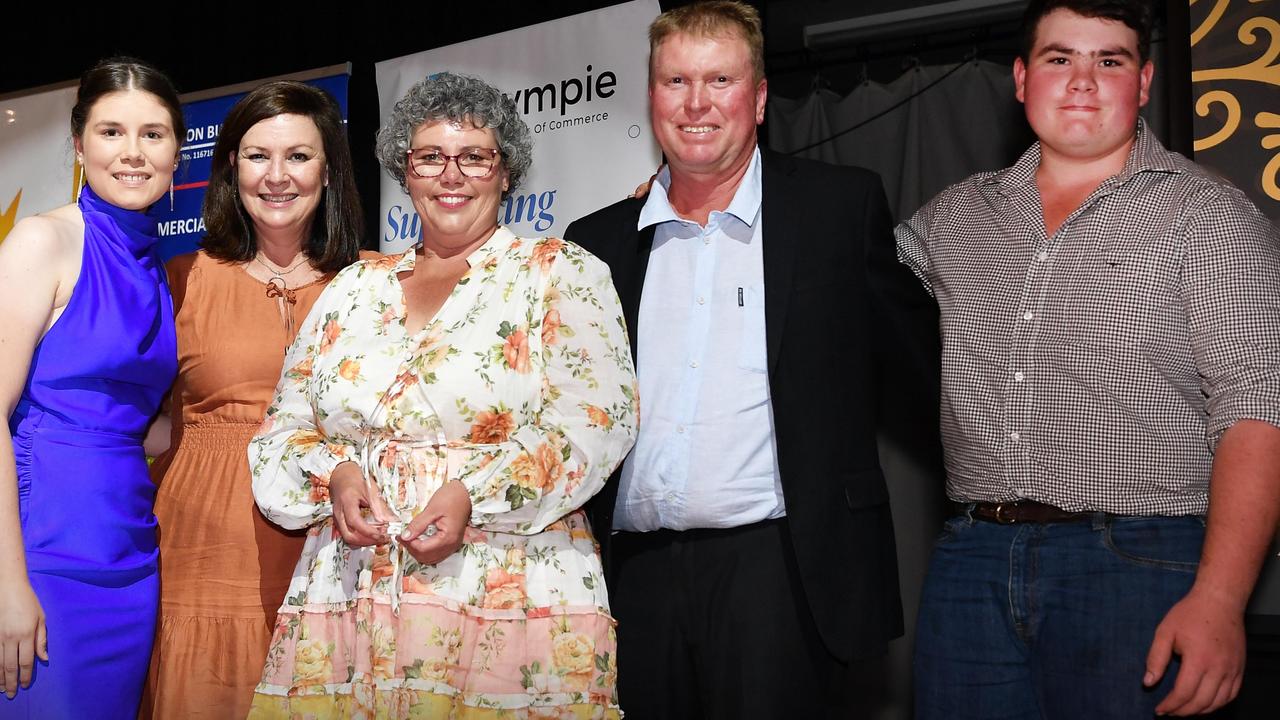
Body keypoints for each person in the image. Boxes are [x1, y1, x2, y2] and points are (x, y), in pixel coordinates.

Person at [898, 1, 1280, 717]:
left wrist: (1221, 600)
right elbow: (830, 280)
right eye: (1058, 58)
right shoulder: (952, 217)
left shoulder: (1208, 216)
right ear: (1020, 79)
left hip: (1141, 563)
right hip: (969, 563)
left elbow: (1257, 407)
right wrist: (688, 192)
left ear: (1143, 84)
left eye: (1109, 60)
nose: (1082, 80)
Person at [562, 2, 937, 717]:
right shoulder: (597, 241)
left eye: (720, 80)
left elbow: (923, 363)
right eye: (676, 82)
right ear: (651, 99)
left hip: (784, 575)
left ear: (759, 99)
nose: (696, 103)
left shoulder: (837, 209)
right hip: (631, 581)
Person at [246, 71, 637, 718]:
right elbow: (285, 427)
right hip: (353, 593)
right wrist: (335, 474)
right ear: (406, 171)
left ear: (505, 171)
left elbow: (597, 422)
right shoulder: (353, 288)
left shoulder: (559, 272)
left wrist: (471, 494)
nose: (451, 174)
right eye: (430, 157)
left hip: (511, 589)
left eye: (474, 157)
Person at [140, 80, 370, 719]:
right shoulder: (181, 280)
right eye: (256, 155)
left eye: (298, 156)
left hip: (340, 555)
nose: (276, 176)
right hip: (204, 554)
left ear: (329, 171)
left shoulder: (378, 283)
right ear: (230, 169)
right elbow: (137, 424)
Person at [0, 57, 183, 719]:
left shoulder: (157, 269)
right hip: (44, 555)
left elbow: (138, 426)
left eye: (153, 134)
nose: (132, 153)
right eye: (111, 132)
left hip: (130, 556)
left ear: (175, 151)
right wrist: (7, 586)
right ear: (78, 145)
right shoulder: (40, 241)